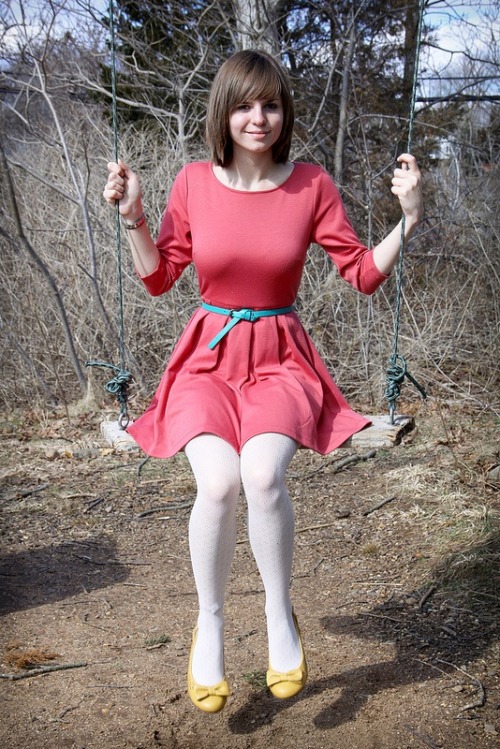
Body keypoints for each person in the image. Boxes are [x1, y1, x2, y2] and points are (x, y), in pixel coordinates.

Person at [103, 49, 423, 713]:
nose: (259, 117)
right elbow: (159, 277)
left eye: (271, 104)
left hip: (280, 356)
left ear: (285, 113)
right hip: (206, 359)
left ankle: (280, 612)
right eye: (246, 104)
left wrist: (408, 220)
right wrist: (134, 215)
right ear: (225, 111)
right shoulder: (193, 182)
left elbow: (361, 274)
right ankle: (211, 621)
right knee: (217, 484)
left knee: (263, 476)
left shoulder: (310, 185)